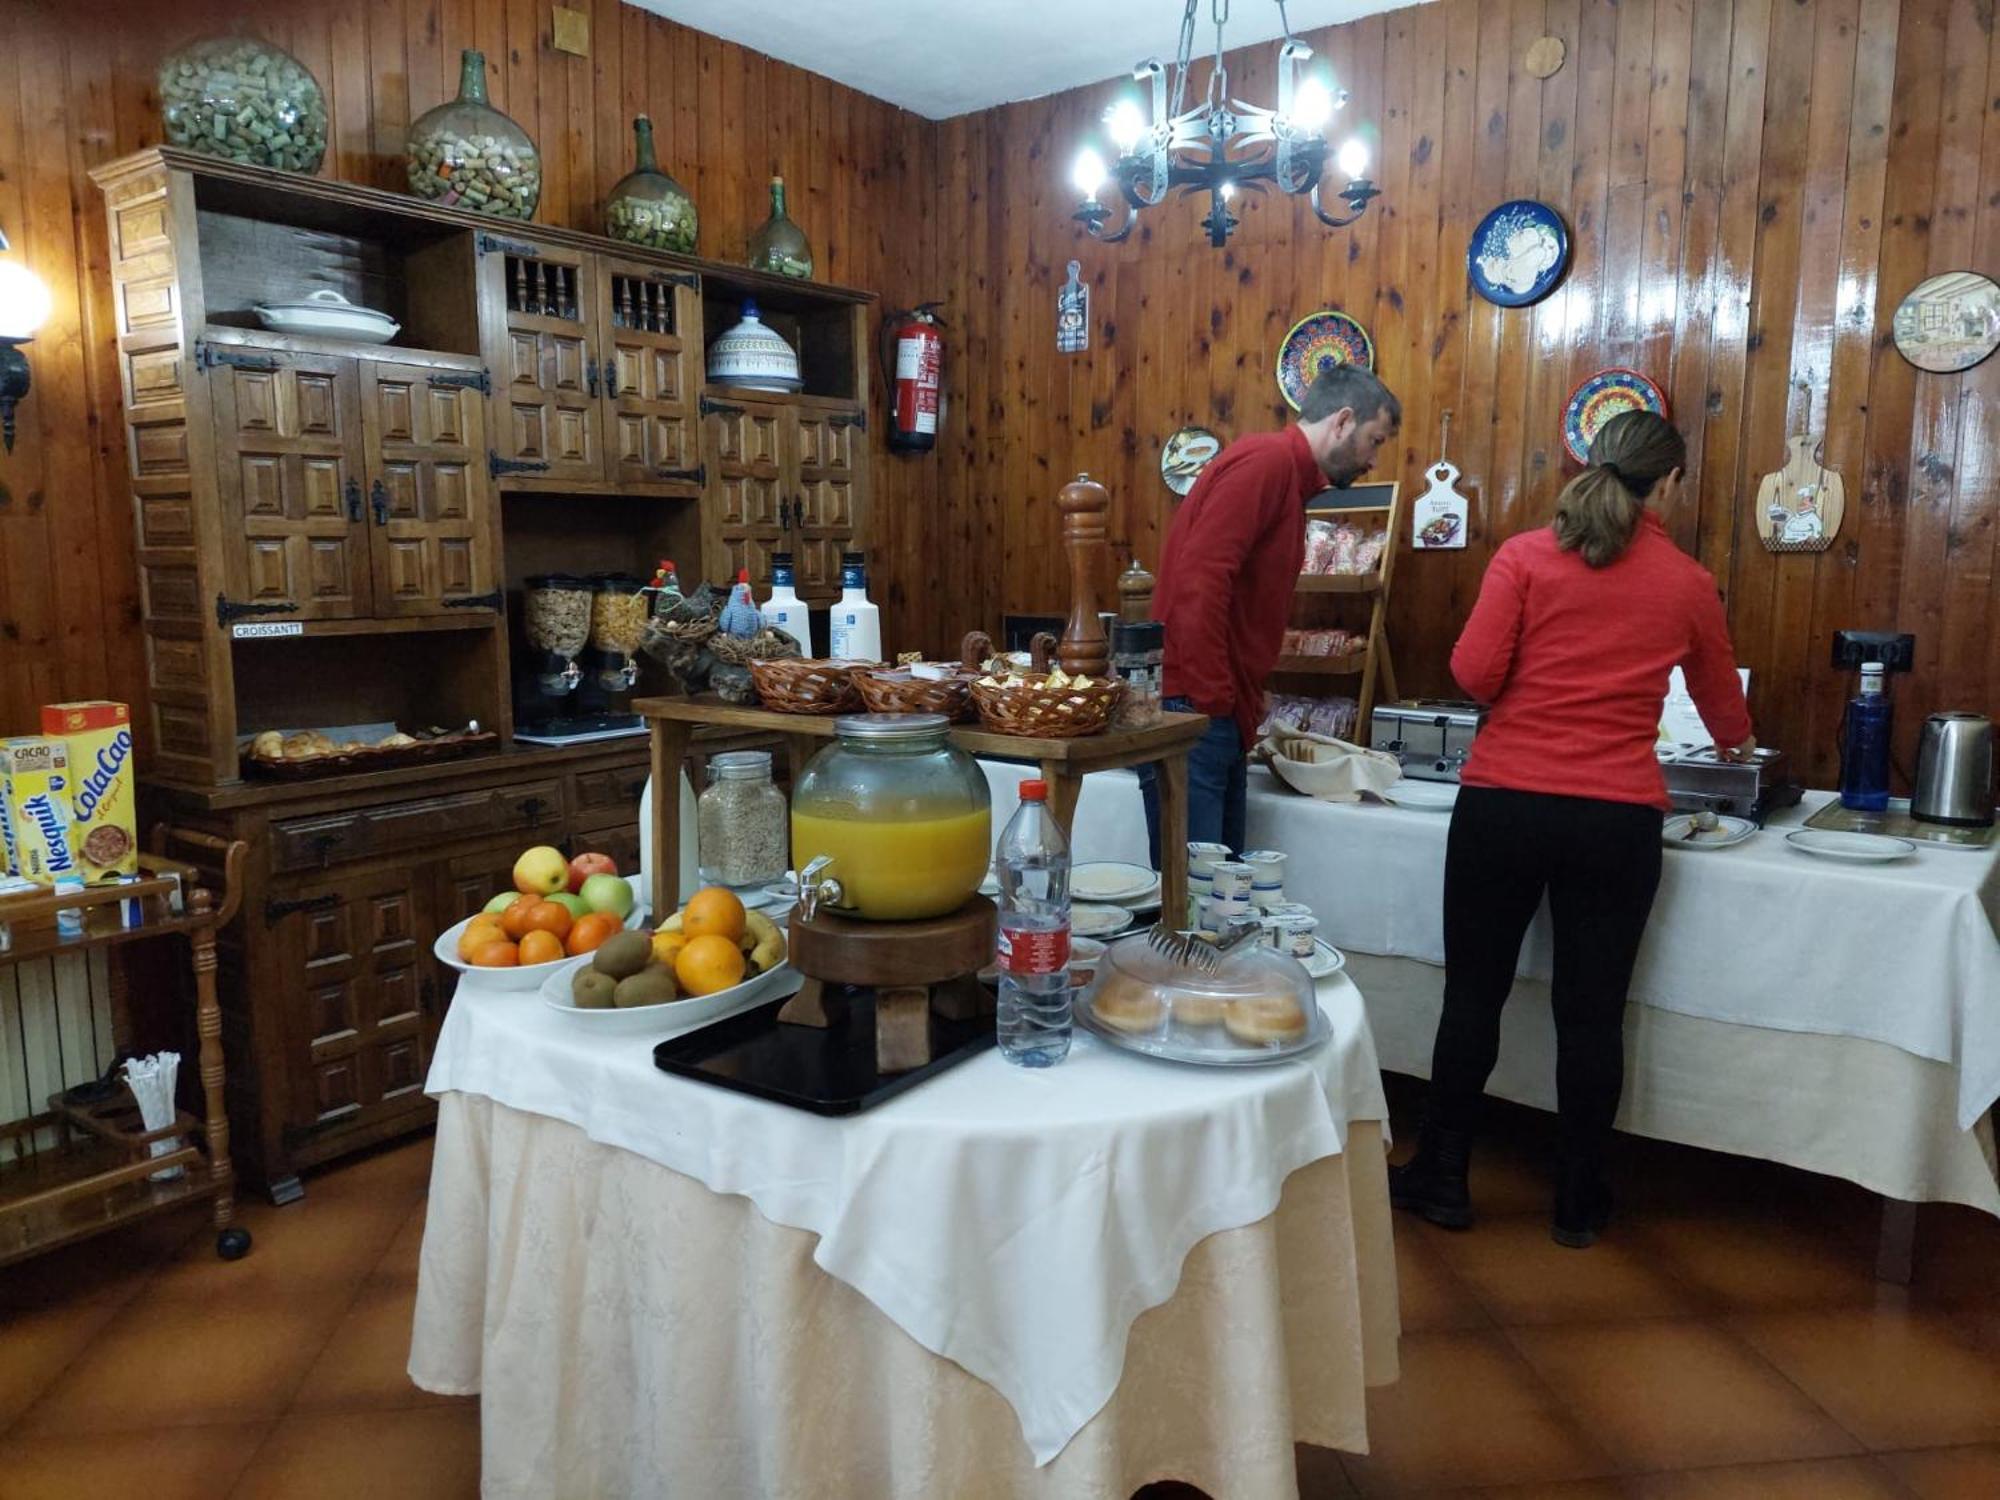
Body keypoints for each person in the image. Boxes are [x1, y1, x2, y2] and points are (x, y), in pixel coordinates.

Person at [1390, 410, 1755, 1249]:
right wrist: (1730, 738)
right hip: (1616, 820)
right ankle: (1578, 1201)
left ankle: (1443, 1176)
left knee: (1472, 996)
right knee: (1591, 1015)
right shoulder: (1688, 584)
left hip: (1503, 806)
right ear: (1668, 484)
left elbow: (1474, 675)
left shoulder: (1523, 557)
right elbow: (1727, 722)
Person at [1140, 365, 1402, 860]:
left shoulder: (1288, 477)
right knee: (1196, 900)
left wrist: (1241, 697)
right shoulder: (1267, 463)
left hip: (1217, 707)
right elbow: (1201, 581)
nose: (1373, 459)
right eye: (1375, 440)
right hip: (1195, 708)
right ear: (1343, 421)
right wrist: (1214, 696)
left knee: (1221, 893)